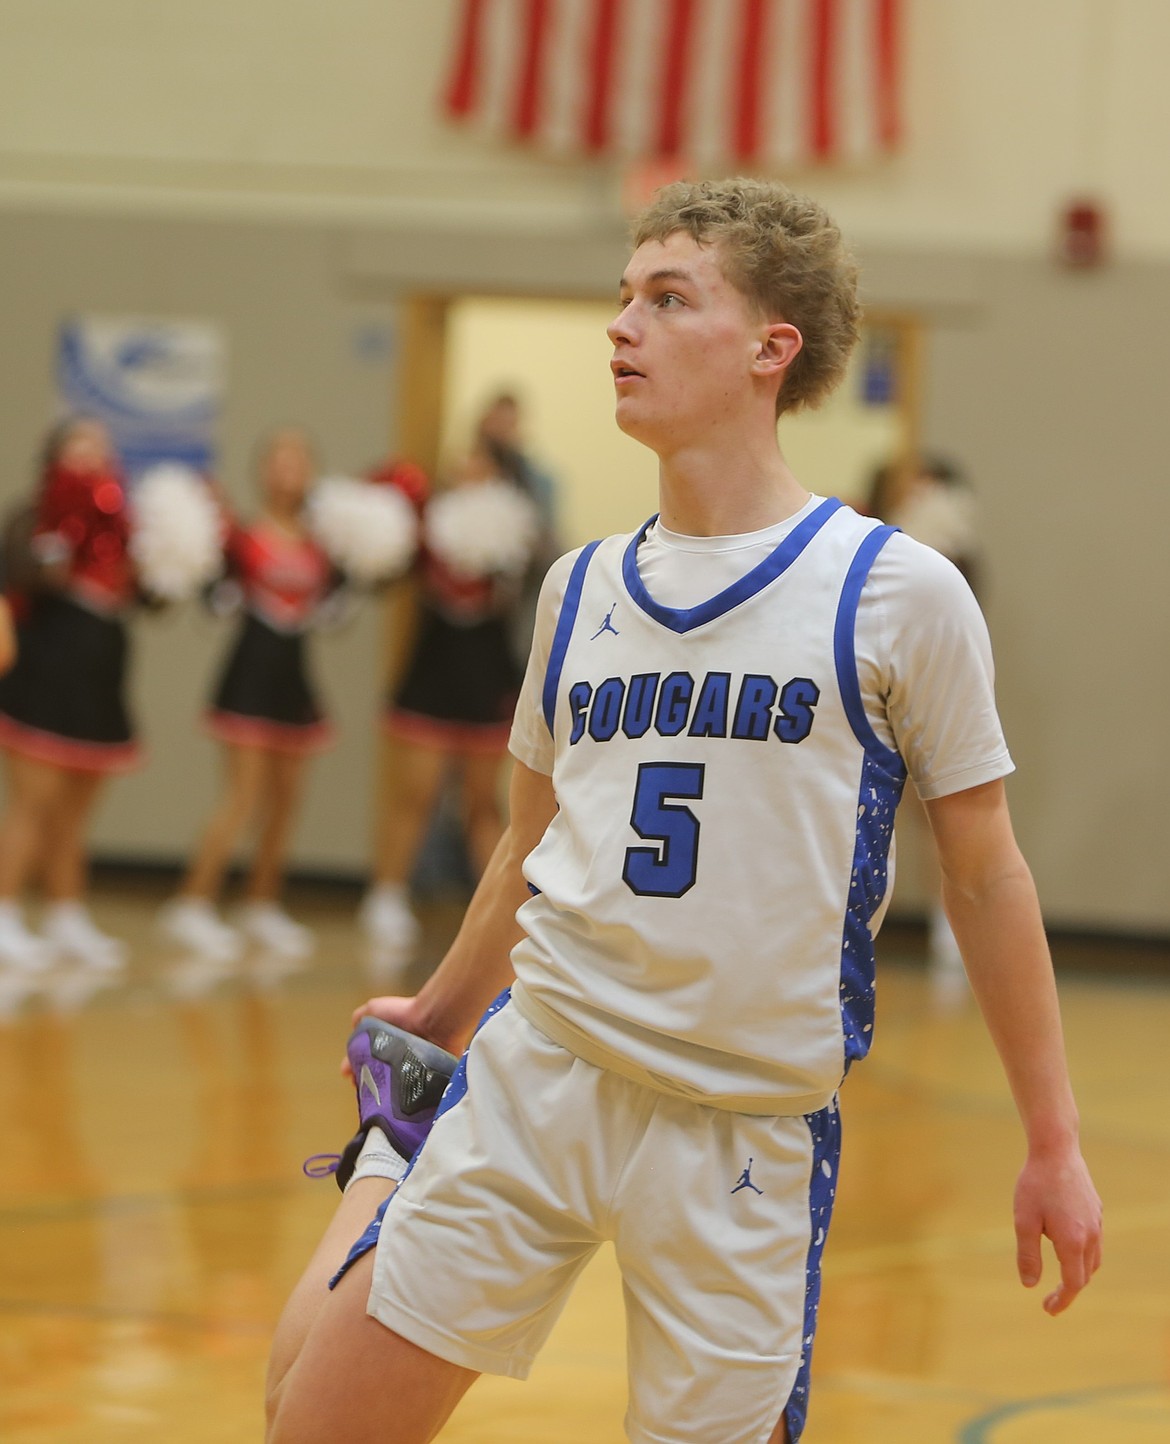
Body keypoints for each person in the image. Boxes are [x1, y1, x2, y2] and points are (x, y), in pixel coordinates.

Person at [265, 179, 1102, 1444]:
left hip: (743, 1125)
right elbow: (528, 846)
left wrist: (1054, 1138)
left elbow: (986, 878)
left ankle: (393, 1167)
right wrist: (437, 1016)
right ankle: (398, 1151)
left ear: (774, 348)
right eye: (623, 297)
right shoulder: (579, 585)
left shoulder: (894, 591)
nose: (622, 327)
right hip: (543, 1066)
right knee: (310, 1424)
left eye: (668, 299)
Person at [159, 429, 338, 964]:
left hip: (295, 678)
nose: (288, 469)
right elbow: (214, 603)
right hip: (248, 675)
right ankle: (192, 902)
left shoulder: (320, 539)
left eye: (298, 459)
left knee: (286, 803)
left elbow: (333, 608)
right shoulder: (239, 535)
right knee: (242, 798)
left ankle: (261, 902)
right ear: (262, 470)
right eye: (278, 459)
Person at [359, 445, 540, 964]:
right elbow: (383, 574)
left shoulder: (518, 536)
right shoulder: (425, 531)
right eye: (464, 463)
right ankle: (386, 895)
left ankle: (507, 911)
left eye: (482, 465)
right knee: (414, 794)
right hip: (430, 680)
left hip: (487, 682)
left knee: (483, 805)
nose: (471, 471)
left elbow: (529, 592)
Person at [0, 417, 140, 973]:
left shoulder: (124, 526)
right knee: (33, 804)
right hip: (43, 682)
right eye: (80, 444)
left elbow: (150, 596)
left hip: (98, 683)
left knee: (75, 813)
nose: (93, 454)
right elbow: (25, 575)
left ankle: (65, 916)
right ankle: (5, 912)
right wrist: (67, 528)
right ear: (55, 455)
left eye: (101, 446)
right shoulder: (32, 517)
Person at [866, 453, 983, 983]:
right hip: (867, 697)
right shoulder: (859, 533)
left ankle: (951, 930)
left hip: (925, 692)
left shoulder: (947, 554)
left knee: (944, 816)